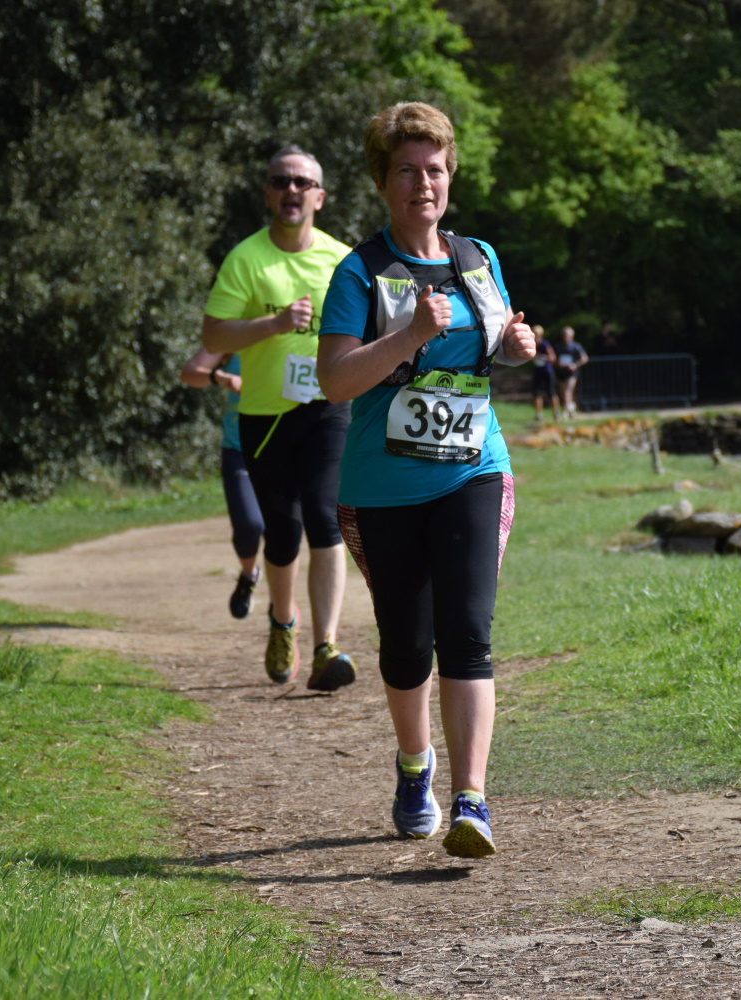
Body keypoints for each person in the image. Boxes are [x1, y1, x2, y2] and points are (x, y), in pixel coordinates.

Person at [316, 102, 537, 859]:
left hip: (474, 470)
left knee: (467, 633)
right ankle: (416, 767)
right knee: (407, 647)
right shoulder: (359, 272)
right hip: (383, 486)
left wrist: (515, 346)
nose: (423, 183)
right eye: (407, 171)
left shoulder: (478, 256)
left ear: (450, 177)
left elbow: (490, 348)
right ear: (383, 182)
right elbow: (335, 381)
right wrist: (408, 334)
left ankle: (472, 801)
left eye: (435, 169)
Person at [200, 145, 356, 693]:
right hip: (265, 417)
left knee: (325, 518)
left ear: (320, 197)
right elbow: (212, 335)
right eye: (281, 181)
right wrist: (274, 324)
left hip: (329, 409)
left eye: (302, 182)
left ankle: (326, 645)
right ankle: (283, 621)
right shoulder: (246, 259)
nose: (292, 190)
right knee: (283, 533)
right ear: (268, 193)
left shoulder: (342, 260)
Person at [179, 350, 265, 618]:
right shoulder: (235, 335)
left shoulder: (298, 331)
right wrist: (221, 377)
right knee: (249, 525)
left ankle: (282, 611)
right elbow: (189, 373)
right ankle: (249, 575)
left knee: (282, 533)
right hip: (238, 449)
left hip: (283, 448)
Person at [554, 325, 588, 418]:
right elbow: (554, 358)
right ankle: (571, 408)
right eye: (564, 335)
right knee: (563, 392)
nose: (565, 337)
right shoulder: (558, 346)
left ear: (572, 336)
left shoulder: (576, 346)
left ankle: (565, 410)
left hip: (572, 373)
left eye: (567, 335)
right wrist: (558, 363)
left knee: (567, 390)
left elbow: (584, 358)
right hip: (561, 372)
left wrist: (575, 365)